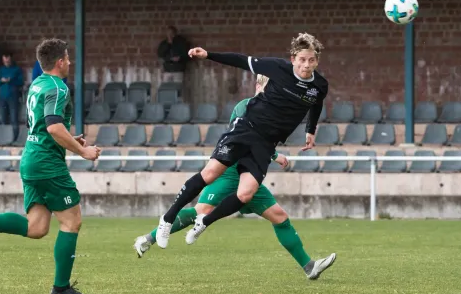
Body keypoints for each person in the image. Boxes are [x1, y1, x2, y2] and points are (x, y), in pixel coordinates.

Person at [134, 75, 336, 279]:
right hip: (230, 172)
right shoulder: (245, 106)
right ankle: (148, 239)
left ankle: (309, 266)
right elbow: (239, 137)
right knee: (200, 211)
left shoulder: (275, 111)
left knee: (280, 217)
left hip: (250, 176)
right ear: (258, 86)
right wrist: (275, 155)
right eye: (271, 87)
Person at [0, 38, 101, 294]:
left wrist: (70, 141)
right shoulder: (58, 87)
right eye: (67, 58)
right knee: (72, 221)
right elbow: (53, 127)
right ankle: (61, 289)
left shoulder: (37, 84)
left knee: (37, 227)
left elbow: (47, 127)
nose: (70, 62)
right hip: (47, 164)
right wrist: (83, 151)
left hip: (32, 158)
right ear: (60, 62)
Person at [155, 33, 329, 250]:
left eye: (311, 60)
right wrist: (208, 55)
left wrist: (310, 131)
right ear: (293, 58)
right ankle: (168, 219)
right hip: (247, 129)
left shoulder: (320, 85)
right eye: (302, 59)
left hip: (266, 144)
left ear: (317, 61)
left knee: (245, 194)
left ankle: (204, 222)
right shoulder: (277, 68)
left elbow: (316, 104)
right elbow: (240, 60)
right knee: (209, 174)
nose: (306, 65)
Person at [0, 52, 23, 140]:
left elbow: (21, 82)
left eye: (8, 60)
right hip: (2, 97)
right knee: (3, 119)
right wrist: (2, 80)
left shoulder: (17, 69)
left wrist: (10, 80)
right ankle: (4, 138)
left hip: (13, 97)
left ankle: (15, 139)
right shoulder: (0, 70)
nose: (6, 62)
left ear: (11, 59)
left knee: (14, 119)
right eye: (4, 60)